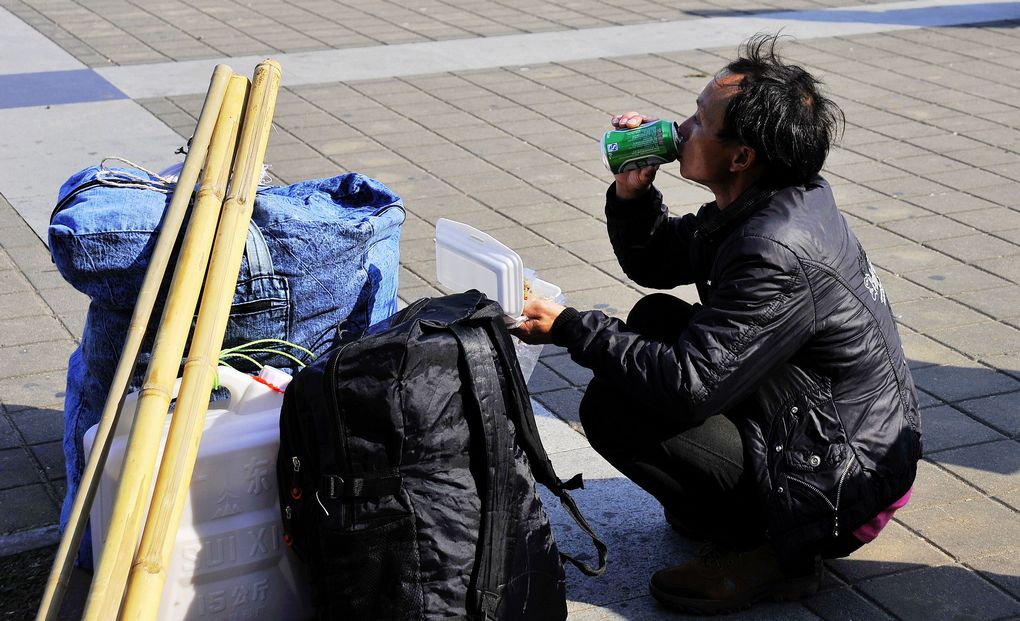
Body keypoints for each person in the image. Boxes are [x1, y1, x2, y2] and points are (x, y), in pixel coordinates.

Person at [511, 33, 922, 615]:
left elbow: (691, 383)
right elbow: (657, 263)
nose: (680, 130)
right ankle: (721, 504)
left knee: (612, 406)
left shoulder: (773, 246)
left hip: (839, 486)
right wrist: (634, 192)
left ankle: (772, 550)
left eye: (700, 121)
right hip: (827, 432)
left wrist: (571, 329)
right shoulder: (766, 202)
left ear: (742, 156)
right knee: (655, 320)